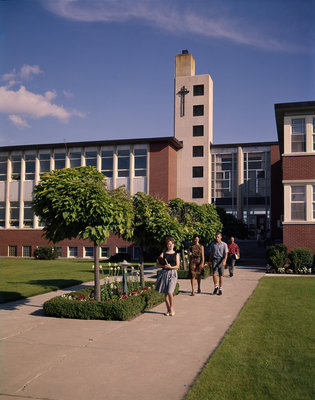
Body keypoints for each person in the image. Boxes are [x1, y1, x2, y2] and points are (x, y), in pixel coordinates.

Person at [155, 237, 180, 316]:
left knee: (170, 291)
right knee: (165, 293)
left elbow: (177, 266)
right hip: (164, 273)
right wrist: (164, 266)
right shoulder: (163, 254)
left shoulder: (176, 254)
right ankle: (168, 309)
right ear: (167, 245)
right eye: (169, 244)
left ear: (174, 244)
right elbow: (157, 264)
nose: (171, 245)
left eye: (172, 244)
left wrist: (170, 267)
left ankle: (171, 308)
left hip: (173, 274)